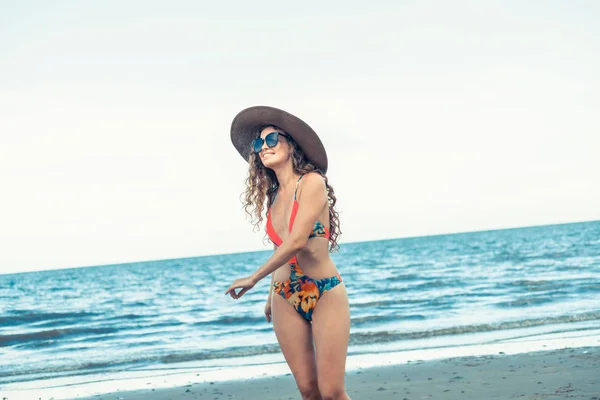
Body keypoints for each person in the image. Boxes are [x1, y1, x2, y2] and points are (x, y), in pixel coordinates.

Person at [225, 106, 351, 400]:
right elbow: (280, 248)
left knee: (331, 392)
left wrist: (253, 278)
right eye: (258, 144)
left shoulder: (312, 183)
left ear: (291, 143)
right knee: (309, 391)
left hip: (324, 291)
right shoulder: (273, 199)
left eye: (271, 140)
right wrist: (271, 293)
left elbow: (296, 242)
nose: (263, 148)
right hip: (284, 294)